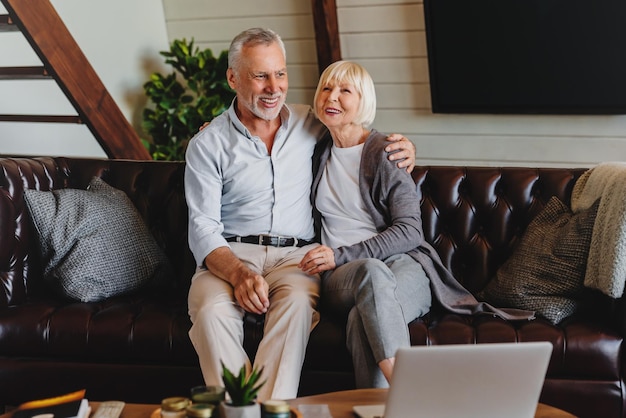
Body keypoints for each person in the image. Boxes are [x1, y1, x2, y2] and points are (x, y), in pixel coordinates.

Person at [184, 28, 416, 402]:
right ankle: (247, 410)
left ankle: (263, 410)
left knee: (293, 310)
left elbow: (356, 132)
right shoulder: (208, 144)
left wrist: (404, 146)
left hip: (295, 258)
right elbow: (202, 226)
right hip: (229, 256)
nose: (273, 88)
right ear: (233, 78)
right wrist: (239, 272)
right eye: (260, 76)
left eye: (280, 73)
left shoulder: (311, 122)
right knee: (210, 312)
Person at [298, 61, 535, 389]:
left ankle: (387, 406)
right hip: (344, 275)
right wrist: (214, 125)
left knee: (360, 319)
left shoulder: (387, 153)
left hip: (403, 266)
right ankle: (409, 394)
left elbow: (410, 231)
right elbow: (267, 119)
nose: (332, 97)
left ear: (363, 100)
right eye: (326, 88)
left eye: (344, 90)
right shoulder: (313, 149)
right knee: (370, 271)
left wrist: (340, 253)